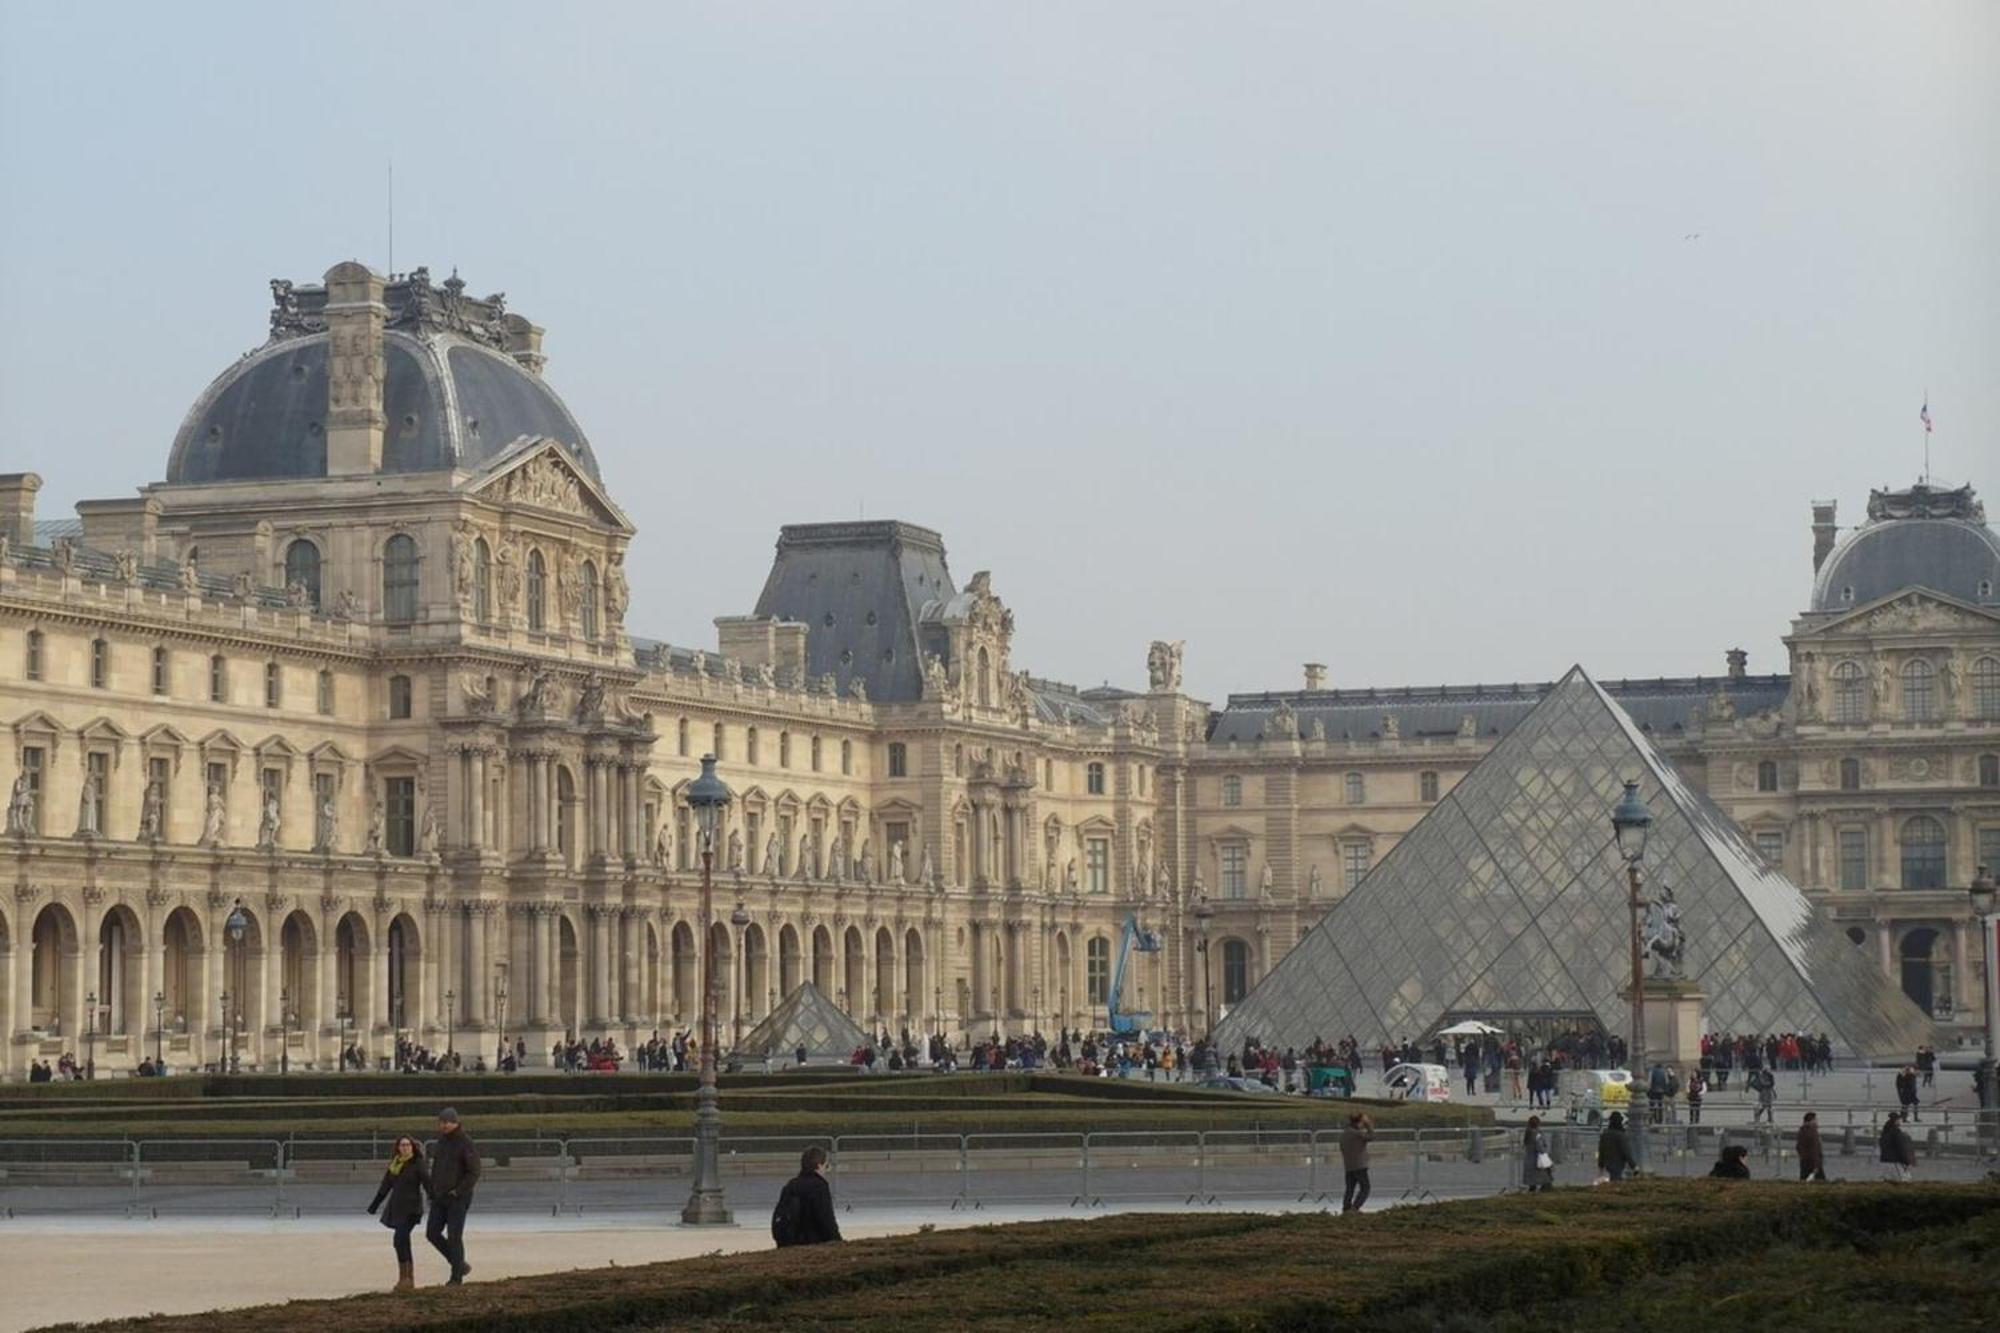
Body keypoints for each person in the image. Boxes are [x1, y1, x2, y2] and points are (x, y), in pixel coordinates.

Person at [366, 1135, 430, 1292]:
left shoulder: (418, 1163)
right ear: (398, 1148)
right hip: (397, 1207)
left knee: (399, 1239)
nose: (405, 1147)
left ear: (413, 1147)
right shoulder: (395, 1164)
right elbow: (385, 1185)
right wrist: (374, 1205)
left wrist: (436, 1201)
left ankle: (407, 1278)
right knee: (402, 1241)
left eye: (408, 1145)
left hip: (412, 1209)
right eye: (402, 1145)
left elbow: (428, 1183)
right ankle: (406, 1279)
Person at [425, 1107, 480, 1284]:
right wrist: (432, 1191)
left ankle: (456, 1278)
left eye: (447, 1122)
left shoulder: (465, 1142)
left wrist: (458, 1191)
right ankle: (459, 1264)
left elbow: (474, 1171)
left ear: (455, 1122)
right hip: (440, 1196)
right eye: (441, 1122)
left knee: (454, 1236)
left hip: (457, 1198)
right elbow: (436, 1168)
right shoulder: (442, 1142)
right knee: (432, 1233)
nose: (444, 1125)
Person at [772, 1145, 842, 1246]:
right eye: (826, 1166)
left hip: (790, 1243)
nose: (826, 1170)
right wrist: (838, 1242)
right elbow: (826, 1220)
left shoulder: (791, 1185)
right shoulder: (819, 1186)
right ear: (818, 1166)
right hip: (812, 1243)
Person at [1339, 1112, 1373, 1213]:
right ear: (1359, 1122)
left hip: (1348, 1166)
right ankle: (1355, 1208)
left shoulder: (1345, 1133)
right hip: (1359, 1165)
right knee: (1365, 1188)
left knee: (1350, 1188)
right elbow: (1371, 1136)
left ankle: (1346, 1208)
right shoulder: (1356, 1133)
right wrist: (1368, 1125)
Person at [1596, 1111, 1635, 1182]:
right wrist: (1633, 1166)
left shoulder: (1605, 1134)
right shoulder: (1621, 1136)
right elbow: (1626, 1152)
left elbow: (1601, 1150)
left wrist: (1600, 1164)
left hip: (1606, 1164)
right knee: (1615, 1183)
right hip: (1617, 1165)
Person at [1879, 1111, 1915, 1182]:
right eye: (1899, 1119)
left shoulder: (1885, 1132)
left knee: (1887, 1182)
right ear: (1896, 1121)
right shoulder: (1897, 1134)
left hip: (1884, 1161)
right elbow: (1901, 1150)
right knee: (1904, 1181)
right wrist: (1906, 1162)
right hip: (1894, 1162)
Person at [1522, 1116, 1553, 1192]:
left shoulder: (1527, 1132)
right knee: (1545, 1175)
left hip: (1529, 1158)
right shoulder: (1537, 1133)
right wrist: (1545, 1150)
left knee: (1531, 1181)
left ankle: (1532, 1191)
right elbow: (1539, 1147)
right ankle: (1545, 1189)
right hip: (1537, 1159)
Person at [1796, 1111, 1825, 1182]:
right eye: (1816, 1120)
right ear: (1812, 1121)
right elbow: (1815, 1149)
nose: (1817, 1122)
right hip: (1813, 1162)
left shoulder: (1802, 1131)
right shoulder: (1812, 1133)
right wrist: (1816, 1164)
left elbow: (1798, 1147)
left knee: (1804, 1180)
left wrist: (1802, 1156)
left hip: (1804, 1161)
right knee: (1820, 1182)